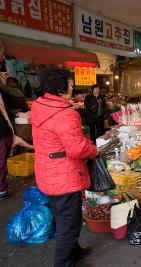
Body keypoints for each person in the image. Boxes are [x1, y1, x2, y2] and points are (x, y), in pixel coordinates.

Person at [30, 67, 98, 267]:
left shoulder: (39, 105)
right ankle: (62, 263)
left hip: (47, 172)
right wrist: (94, 150)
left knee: (63, 218)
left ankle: (74, 253)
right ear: (61, 88)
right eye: (70, 83)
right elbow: (77, 148)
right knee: (70, 226)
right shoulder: (65, 114)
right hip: (64, 176)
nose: (73, 85)